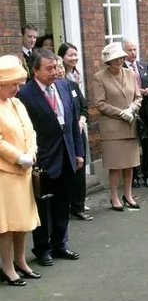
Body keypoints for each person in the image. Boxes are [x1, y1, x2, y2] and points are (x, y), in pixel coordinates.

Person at [18, 49, 84, 267]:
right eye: (49, 68)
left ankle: (60, 244)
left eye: (56, 67)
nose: (55, 72)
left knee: (62, 202)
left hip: (67, 153)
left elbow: (73, 123)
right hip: (43, 158)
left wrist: (78, 152)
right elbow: (24, 130)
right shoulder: (25, 94)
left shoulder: (65, 86)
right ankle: (42, 249)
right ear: (35, 70)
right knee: (43, 206)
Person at [0, 55, 41, 286]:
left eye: (18, 83)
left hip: (23, 171)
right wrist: (18, 157)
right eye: (13, 84)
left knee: (23, 221)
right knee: (6, 225)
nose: (17, 88)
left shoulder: (16, 103)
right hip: (4, 175)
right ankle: (7, 267)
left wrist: (32, 152)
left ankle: (21, 261)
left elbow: (30, 130)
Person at [93, 42, 142, 211]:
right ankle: (114, 197)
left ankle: (127, 194)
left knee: (130, 164)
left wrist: (132, 109)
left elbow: (138, 97)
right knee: (115, 165)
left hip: (130, 125)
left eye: (121, 57)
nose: (119, 61)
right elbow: (99, 103)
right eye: (115, 58)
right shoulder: (99, 77)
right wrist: (120, 113)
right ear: (108, 61)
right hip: (113, 128)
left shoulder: (130, 74)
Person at [54, 55, 92, 221]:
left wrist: (82, 120)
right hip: (62, 136)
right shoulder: (51, 90)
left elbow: (84, 107)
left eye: (62, 66)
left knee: (79, 171)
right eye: (57, 67)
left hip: (77, 133)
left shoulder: (72, 86)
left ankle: (78, 206)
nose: (60, 70)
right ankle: (65, 206)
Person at [123, 40, 148, 188]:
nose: (133, 53)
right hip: (131, 112)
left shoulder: (143, 66)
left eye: (135, 49)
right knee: (132, 146)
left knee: (147, 144)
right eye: (129, 50)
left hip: (146, 111)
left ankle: (147, 174)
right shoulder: (121, 69)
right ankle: (134, 176)